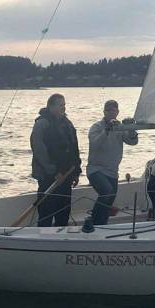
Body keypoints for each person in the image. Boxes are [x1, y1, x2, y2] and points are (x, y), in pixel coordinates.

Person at [84, 99, 138, 228]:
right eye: (107, 110)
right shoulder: (96, 127)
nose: (110, 112)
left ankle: (101, 225)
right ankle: (93, 221)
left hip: (112, 172)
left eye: (112, 110)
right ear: (104, 112)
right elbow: (94, 143)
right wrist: (106, 130)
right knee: (107, 192)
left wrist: (131, 129)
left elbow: (132, 142)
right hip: (95, 170)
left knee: (109, 200)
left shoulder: (120, 128)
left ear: (117, 112)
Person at [30, 93, 81, 227]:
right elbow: (39, 150)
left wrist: (76, 172)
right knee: (46, 213)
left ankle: (60, 238)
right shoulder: (42, 124)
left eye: (64, 105)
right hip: (49, 178)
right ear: (51, 106)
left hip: (66, 176)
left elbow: (74, 148)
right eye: (60, 105)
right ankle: (43, 240)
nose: (63, 108)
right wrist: (53, 172)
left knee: (63, 213)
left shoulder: (67, 123)